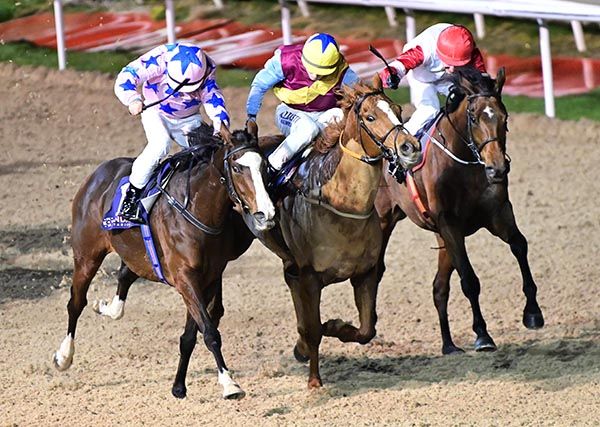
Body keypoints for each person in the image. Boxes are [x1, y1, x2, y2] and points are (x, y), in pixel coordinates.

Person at [114, 42, 230, 222]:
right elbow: (127, 75)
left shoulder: (207, 73)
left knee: (211, 154)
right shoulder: (159, 59)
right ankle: (131, 196)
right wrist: (132, 99)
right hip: (155, 112)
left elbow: (214, 101)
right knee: (160, 145)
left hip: (189, 118)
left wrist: (219, 127)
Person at [246, 32, 360, 180]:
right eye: (311, 69)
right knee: (308, 129)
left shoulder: (344, 72)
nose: (315, 76)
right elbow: (259, 85)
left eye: (321, 73)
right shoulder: (285, 60)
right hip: (289, 111)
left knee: (340, 116)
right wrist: (251, 116)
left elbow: (363, 95)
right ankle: (270, 168)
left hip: (323, 115)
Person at [378, 23, 487, 136]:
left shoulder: (468, 50)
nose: (452, 69)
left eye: (457, 64)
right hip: (421, 76)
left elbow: (482, 78)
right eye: (449, 63)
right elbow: (400, 64)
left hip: (446, 78)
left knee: (466, 101)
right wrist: (391, 75)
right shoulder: (424, 49)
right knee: (429, 109)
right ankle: (402, 137)